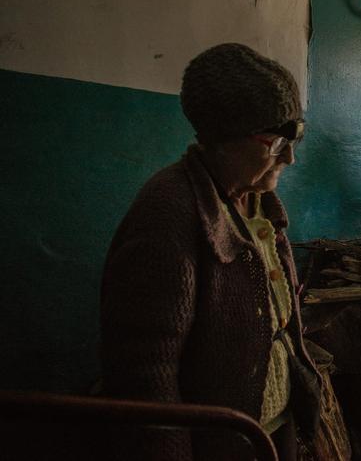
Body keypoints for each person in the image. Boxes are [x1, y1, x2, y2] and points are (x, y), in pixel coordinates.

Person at [100, 43, 319, 460]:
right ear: (222, 138)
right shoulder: (169, 212)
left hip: (270, 433)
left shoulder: (257, 201)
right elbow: (146, 372)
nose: (290, 156)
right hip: (218, 446)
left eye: (296, 133)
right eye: (274, 141)